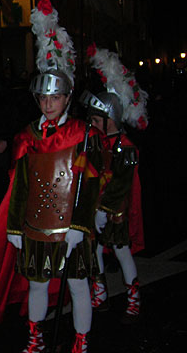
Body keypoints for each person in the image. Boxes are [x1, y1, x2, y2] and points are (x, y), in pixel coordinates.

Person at [0, 0, 101, 353]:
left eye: (56, 98)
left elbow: (88, 184)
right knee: (36, 285)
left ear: (67, 98)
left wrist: (81, 226)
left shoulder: (83, 133)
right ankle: (35, 336)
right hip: (35, 224)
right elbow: (19, 187)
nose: (49, 105)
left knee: (77, 286)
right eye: (44, 99)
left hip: (72, 227)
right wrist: (15, 228)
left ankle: (81, 340)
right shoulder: (26, 136)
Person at [82, 45, 148, 324]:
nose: (93, 124)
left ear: (111, 119)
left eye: (97, 120)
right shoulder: (98, 142)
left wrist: (105, 208)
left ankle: (134, 298)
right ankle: (100, 294)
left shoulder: (125, 146)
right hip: (96, 209)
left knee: (122, 253)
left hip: (115, 212)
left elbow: (122, 183)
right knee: (94, 250)